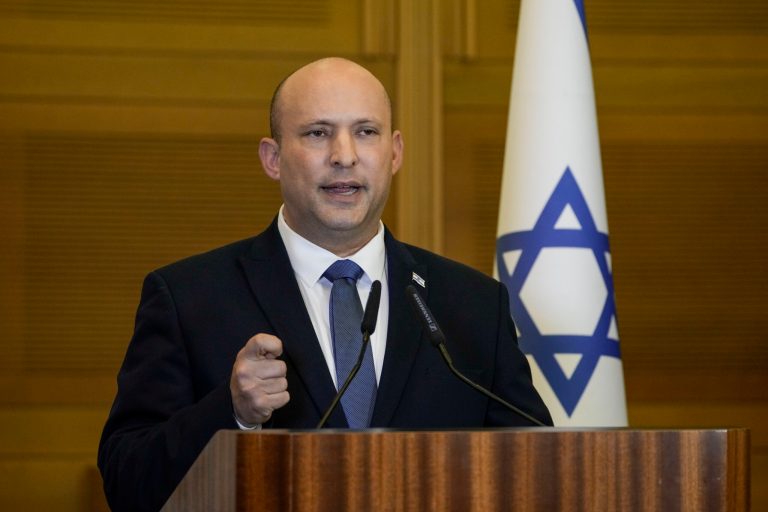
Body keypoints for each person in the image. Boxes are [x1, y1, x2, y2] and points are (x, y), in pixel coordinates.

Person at [98, 57, 552, 512]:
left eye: (365, 132)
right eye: (317, 133)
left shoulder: (473, 304)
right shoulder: (188, 298)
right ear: (272, 159)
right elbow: (127, 482)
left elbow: (541, 474)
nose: (344, 155)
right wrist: (231, 412)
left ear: (394, 153)